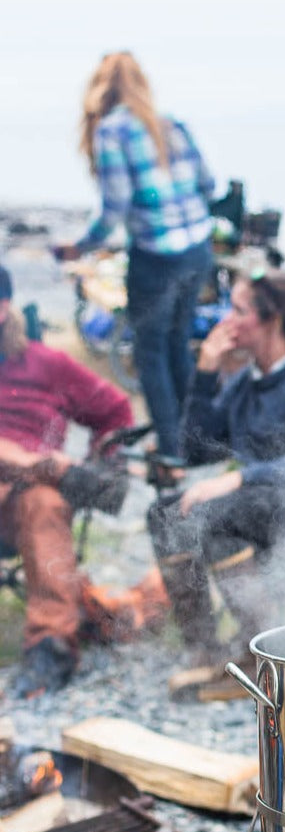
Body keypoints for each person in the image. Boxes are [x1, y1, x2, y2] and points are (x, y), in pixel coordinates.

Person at [148, 267, 285, 664]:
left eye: (238, 310)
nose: (227, 321)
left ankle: (262, 654)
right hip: (263, 501)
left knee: (218, 516)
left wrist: (238, 478)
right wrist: (205, 371)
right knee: (165, 512)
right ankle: (208, 651)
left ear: (271, 320)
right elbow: (196, 449)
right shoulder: (250, 378)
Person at [54, 52, 216, 458]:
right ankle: (189, 442)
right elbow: (209, 185)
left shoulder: (112, 131)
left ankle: (169, 449)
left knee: (150, 352)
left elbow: (116, 208)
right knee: (178, 343)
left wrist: (82, 245)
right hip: (198, 249)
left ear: (99, 91)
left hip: (157, 258)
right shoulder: (171, 123)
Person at [0, 263, 134, 698]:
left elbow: (115, 411)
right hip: (27, 469)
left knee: (43, 500)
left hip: (22, 504)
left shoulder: (45, 365)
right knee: (39, 475)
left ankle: (51, 645)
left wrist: (104, 466)